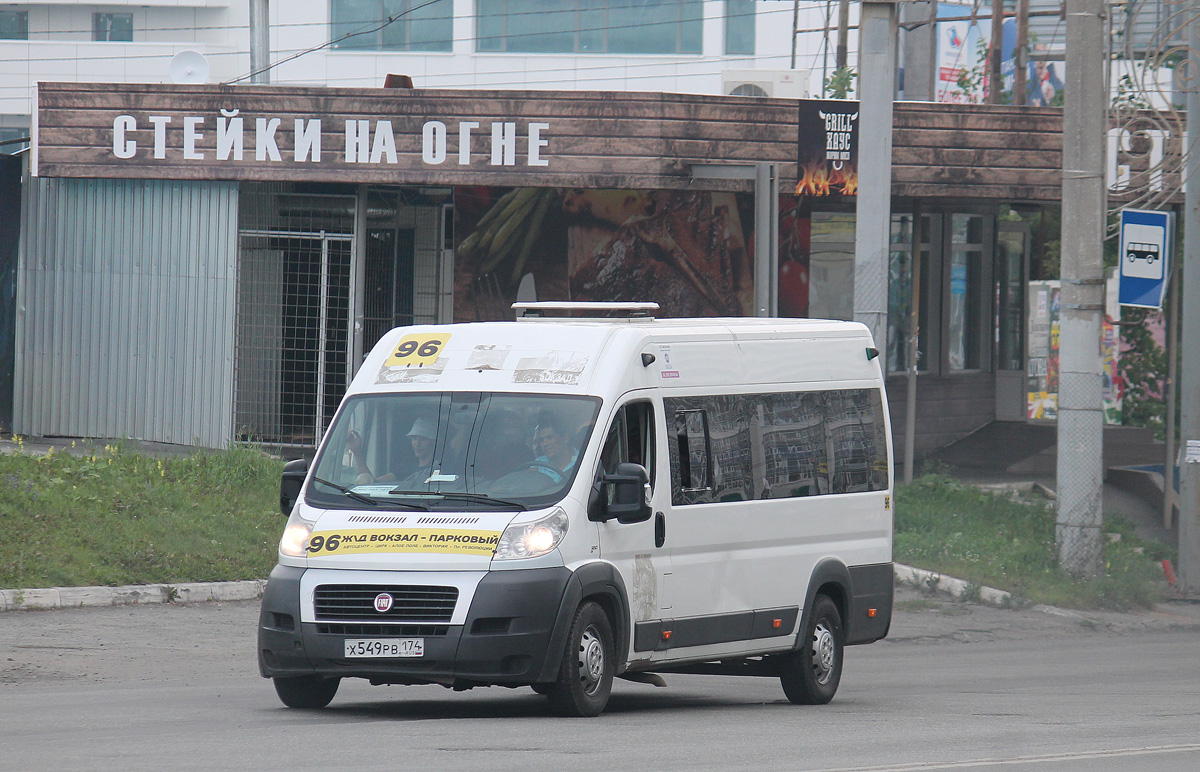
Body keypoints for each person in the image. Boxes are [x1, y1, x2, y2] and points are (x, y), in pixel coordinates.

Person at [346, 418, 437, 485]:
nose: (417, 444)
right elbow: (371, 484)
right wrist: (357, 452)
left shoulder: (440, 468)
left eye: (423, 439)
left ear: (434, 441)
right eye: (414, 438)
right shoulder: (406, 467)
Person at [528, 419, 578, 483]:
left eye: (549, 438)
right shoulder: (538, 464)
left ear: (565, 438)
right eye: (541, 440)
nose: (545, 444)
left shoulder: (582, 459)